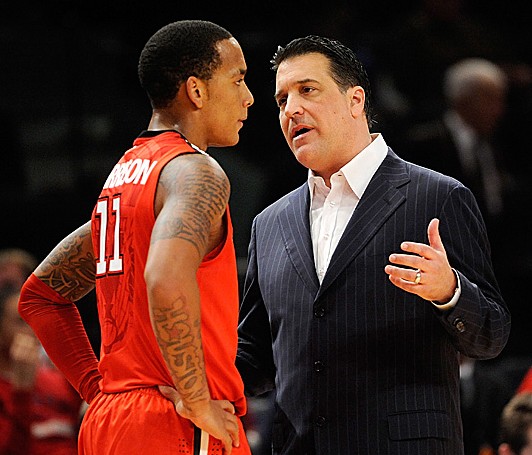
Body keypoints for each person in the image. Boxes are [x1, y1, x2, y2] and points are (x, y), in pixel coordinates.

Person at [236, 35, 510, 454]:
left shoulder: (438, 196)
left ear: (356, 100)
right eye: (281, 99)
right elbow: (255, 357)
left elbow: (491, 334)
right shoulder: (268, 223)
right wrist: (187, 375)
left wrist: (449, 292)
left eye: (307, 90)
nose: (291, 109)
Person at [19, 19, 254, 455]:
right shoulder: (195, 172)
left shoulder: (124, 181)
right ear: (196, 91)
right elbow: (164, 279)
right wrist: (199, 401)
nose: (248, 97)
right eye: (238, 80)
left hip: (112, 421)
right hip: (177, 422)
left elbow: (40, 297)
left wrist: (100, 390)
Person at [1, 287, 82, 455]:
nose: (32, 329)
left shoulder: (57, 377)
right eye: (21, 321)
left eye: (34, 320)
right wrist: (22, 392)